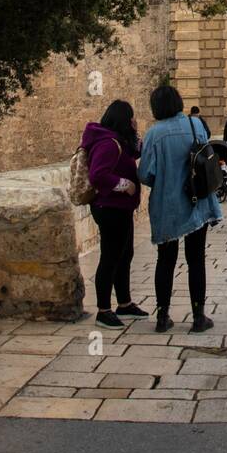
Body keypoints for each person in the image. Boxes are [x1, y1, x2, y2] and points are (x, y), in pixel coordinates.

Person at [138, 84, 221, 333]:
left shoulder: (154, 133)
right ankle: (198, 317)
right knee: (196, 260)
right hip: (197, 202)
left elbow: (146, 174)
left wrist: (165, 181)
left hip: (167, 205)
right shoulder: (196, 126)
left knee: (165, 260)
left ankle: (162, 318)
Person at [82, 100, 146, 330]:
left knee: (124, 254)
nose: (133, 120)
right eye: (131, 117)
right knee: (110, 258)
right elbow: (97, 175)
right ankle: (103, 310)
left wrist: (136, 133)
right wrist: (124, 184)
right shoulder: (107, 143)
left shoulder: (116, 140)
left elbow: (133, 151)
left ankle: (125, 303)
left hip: (121, 208)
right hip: (109, 208)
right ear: (123, 119)